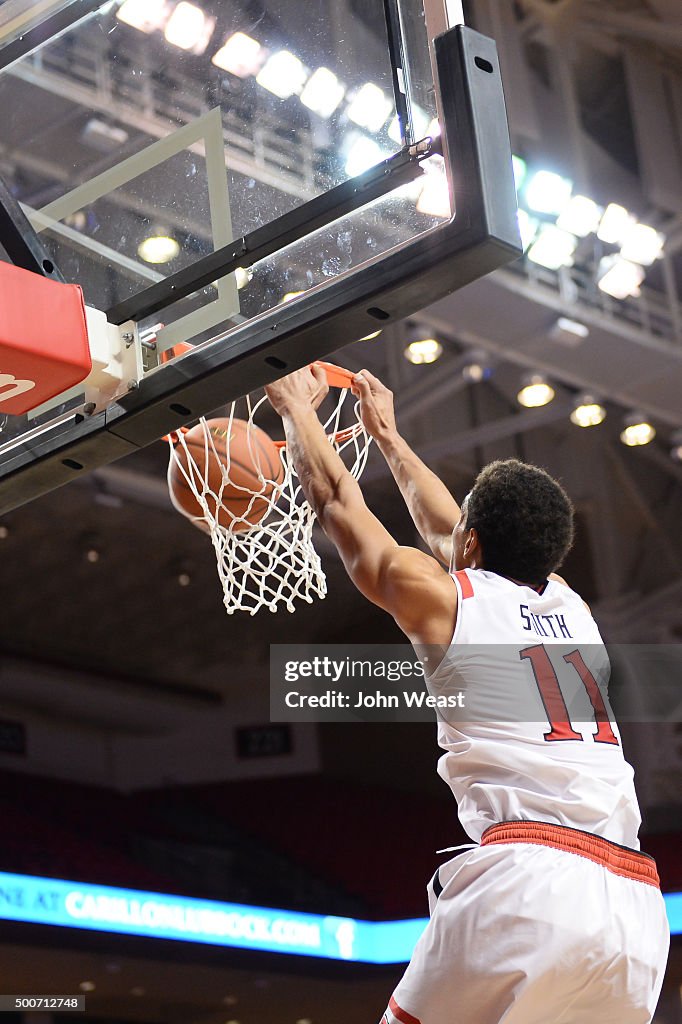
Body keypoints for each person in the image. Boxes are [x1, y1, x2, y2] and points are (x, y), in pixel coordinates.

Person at [265, 364, 670, 1024]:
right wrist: (389, 438)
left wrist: (294, 409)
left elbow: (340, 504)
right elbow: (452, 531)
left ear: (472, 545)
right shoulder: (572, 607)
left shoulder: (444, 600)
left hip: (532, 878)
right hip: (635, 905)